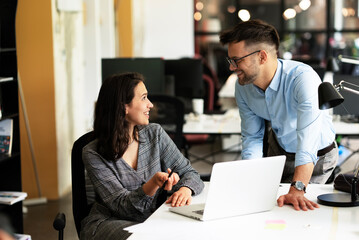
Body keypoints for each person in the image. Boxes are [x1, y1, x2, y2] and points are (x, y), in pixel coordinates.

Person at [219, 20, 338, 211]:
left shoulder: (303, 79)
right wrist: (251, 179)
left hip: (317, 156)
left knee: (301, 212)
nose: (232, 67)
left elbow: (307, 143)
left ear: (262, 57)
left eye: (237, 60)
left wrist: (298, 188)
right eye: (230, 61)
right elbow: (253, 137)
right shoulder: (243, 88)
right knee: (266, 205)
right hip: (279, 151)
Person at [80, 72, 204, 239]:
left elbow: (190, 173)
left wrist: (185, 189)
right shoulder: (92, 153)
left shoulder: (155, 134)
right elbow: (121, 206)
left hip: (153, 219)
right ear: (123, 106)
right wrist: (153, 184)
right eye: (144, 98)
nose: (151, 105)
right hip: (110, 222)